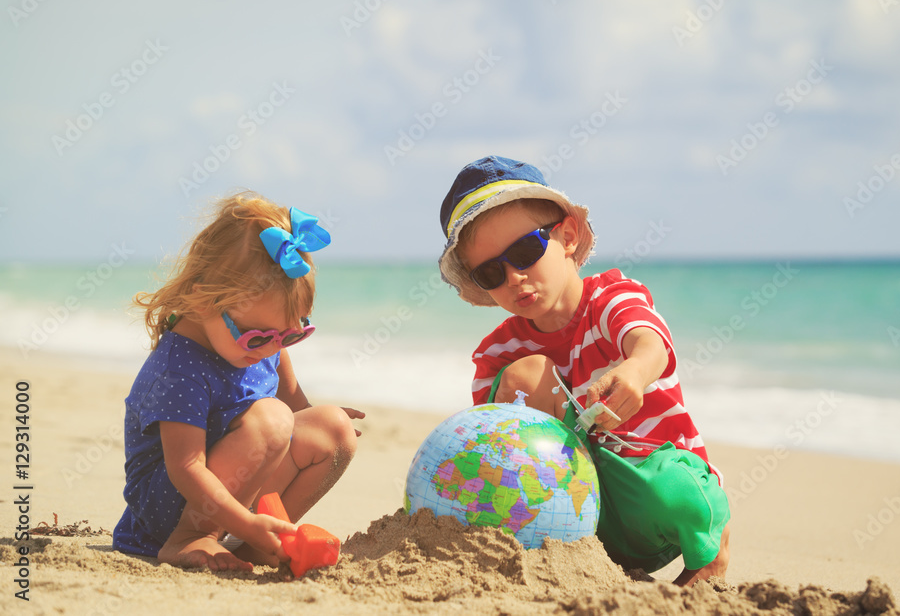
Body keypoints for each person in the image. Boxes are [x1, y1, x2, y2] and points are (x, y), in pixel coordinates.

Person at [437, 156, 730, 585]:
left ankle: (709, 555)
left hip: (644, 493)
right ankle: (559, 559)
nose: (515, 276)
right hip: (569, 511)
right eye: (491, 272)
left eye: (525, 251)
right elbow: (497, 446)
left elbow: (650, 341)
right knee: (524, 378)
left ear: (568, 237)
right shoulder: (500, 351)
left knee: (680, 492)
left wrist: (634, 370)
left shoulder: (609, 299)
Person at [112, 192, 364, 572]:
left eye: (289, 335)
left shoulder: (266, 344)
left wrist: (324, 422)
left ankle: (258, 543)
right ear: (202, 300)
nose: (271, 349)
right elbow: (186, 467)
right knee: (272, 419)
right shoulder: (180, 366)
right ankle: (191, 540)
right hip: (169, 509)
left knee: (334, 429)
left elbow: (298, 409)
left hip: (234, 495)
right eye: (257, 336)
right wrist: (242, 519)